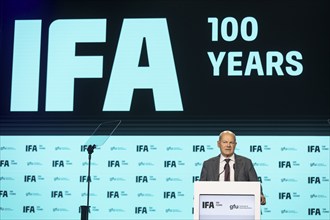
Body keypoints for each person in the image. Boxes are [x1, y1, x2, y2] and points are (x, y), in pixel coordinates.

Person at [200, 130, 266, 205]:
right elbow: (201, 188)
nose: (228, 145)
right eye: (225, 142)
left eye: (231, 142)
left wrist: (260, 194)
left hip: (240, 205)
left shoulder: (246, 163)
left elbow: (255, 184)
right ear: (218, 144)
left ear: (235, 144)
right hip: (215, 205)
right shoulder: (208, 164)